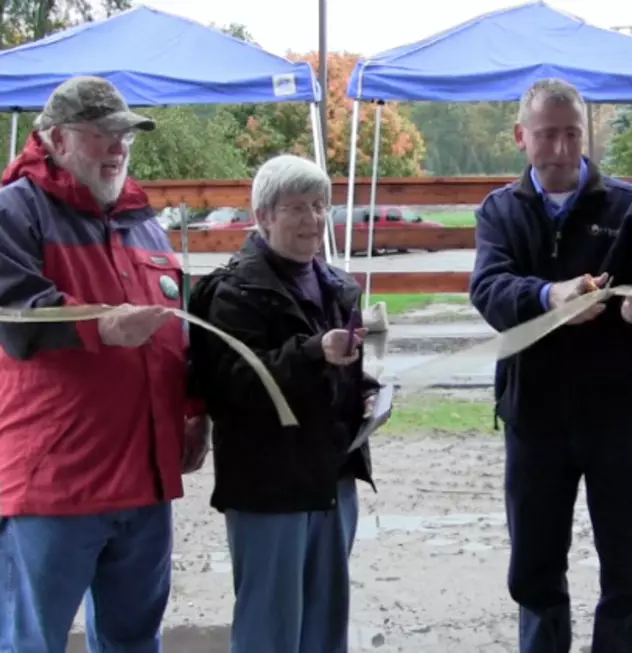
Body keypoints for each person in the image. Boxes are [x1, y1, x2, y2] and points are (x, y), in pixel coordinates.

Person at [468, 78, 632, 653]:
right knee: (536, 566)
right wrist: (550, 297)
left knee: (626, 562)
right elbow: (490, 289)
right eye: (547, 135)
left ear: (586, 135)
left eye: (572, 134)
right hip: (535, 414)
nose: (562, 150)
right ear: (522, 137)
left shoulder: (629, 204)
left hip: (622, 413)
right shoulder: (500, 211)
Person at [0, 76, 209, 652]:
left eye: (126, 136)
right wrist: (102, 324)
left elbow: (177, 329)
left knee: (135, 640)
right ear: (58, 139)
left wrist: (194, 413)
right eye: (103, 134)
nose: (118, 147)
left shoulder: (142, 220)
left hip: (144, 480)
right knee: (30, 640)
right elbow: (16, 320)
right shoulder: (15, 210)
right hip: (57, 482)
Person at [187, 154, 380, 653]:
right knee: (270, 634)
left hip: (331, 478)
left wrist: (363, 390)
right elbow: (234, 389)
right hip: (268, 488)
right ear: (264, 216)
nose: (313, 220)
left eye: (320, 207)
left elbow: (336, 375)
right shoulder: (230, 292)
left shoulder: (338, 285)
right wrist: (315, 352)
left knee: (325, 629)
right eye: (296, 208)